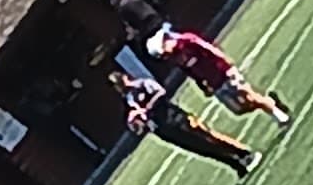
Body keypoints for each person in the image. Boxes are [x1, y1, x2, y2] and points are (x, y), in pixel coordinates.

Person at [108, 71, 261, 177]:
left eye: (119, 83)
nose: (121, 87)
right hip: (163, 130)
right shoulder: (129, 100)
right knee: (199, 148)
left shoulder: (143, 84)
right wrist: (136, 123)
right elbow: (138, 122)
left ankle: (244, 153)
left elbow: (161, 92)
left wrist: (147, 108)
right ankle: (234, 164)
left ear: (125, 77)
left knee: (208, 136)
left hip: (175, 117)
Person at [145, 26, 291, 127]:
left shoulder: (187, 41)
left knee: (249, 96)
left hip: (224, 73)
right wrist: (203, 86)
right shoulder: (175, 58)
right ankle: (270, 101)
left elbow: (211, 50)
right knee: (239, 109)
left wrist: (228, 66)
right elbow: (190, 72)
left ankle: (278, 115)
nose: (165, 56)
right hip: (215, 84)